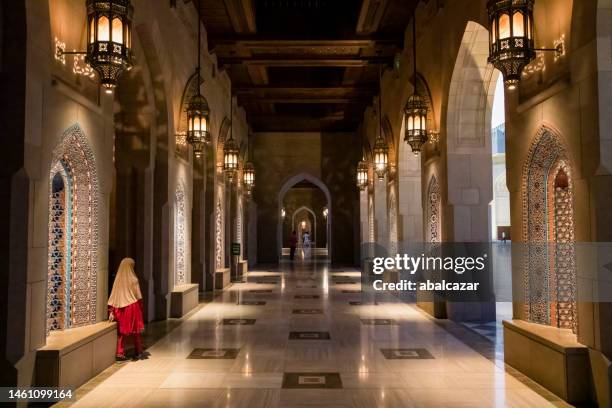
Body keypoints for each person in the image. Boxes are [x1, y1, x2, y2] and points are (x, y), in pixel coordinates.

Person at [108, 258, 145, 360]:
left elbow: (114, 296)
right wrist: (141, 308)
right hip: (132, 307)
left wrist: (112, 310)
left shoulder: (118, 280)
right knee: (135, 332)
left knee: (121, 332)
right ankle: (138, 351)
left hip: (120, 308)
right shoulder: (134, 279)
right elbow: (138, 296)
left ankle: (120, 352)